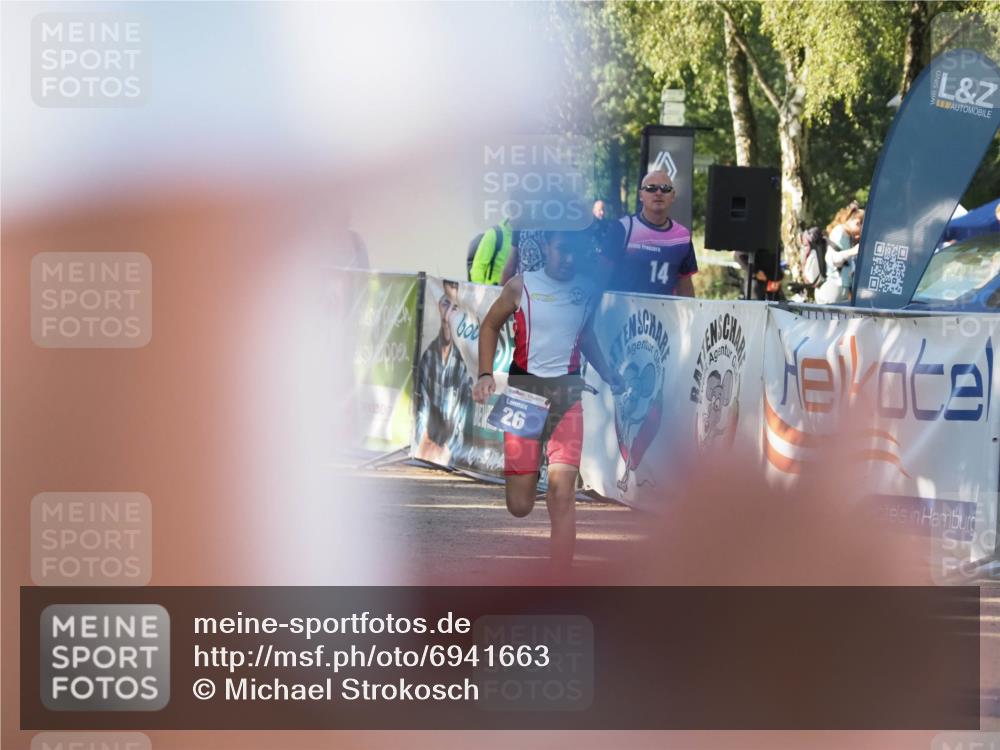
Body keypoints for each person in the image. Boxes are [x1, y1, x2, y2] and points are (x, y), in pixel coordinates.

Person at [473, 230, 624, 572]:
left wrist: (608, 371)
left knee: (562, 495)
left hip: (567, 397)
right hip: (523, 396)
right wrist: (485, 375)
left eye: (575, 252)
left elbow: (585, 335)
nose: (569, 259)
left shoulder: (586, 289)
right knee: (520, 505)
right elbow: (489, 326)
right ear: (545, 247)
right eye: (562, 250)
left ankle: (559, 581)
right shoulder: (520, 285)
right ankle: (527, 465)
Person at [609, 170, 697, 296]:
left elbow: (685, 289)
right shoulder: (623, 228)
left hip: (664, 314)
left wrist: (691, 314)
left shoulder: (682, 237)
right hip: (623, 313)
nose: (659, 193)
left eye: (665, 188)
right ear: (641, 195)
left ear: (672, 195)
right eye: (651, 188)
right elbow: (600, 278)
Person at [415, 281, 473, 465]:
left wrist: (450, 451)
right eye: (445, 304)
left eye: (454, 307)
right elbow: (420, 406)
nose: (448, 313)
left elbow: (463, 417)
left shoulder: (464, 364)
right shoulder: (428, 356)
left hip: (450, 455)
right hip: (425, 451)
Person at [815, 201, 864, 305]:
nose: (861, 233)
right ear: (857, 222)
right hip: (833, 289)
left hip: (841, 290)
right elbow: (832, 259)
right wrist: (853, 251)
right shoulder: (839, 232)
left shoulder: (848, 236)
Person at [469, 218, 513, 285]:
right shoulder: (495, 233)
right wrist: (480, 291)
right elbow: (478, 266)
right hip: (494, 290)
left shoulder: (526, 234)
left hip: (517, 290)